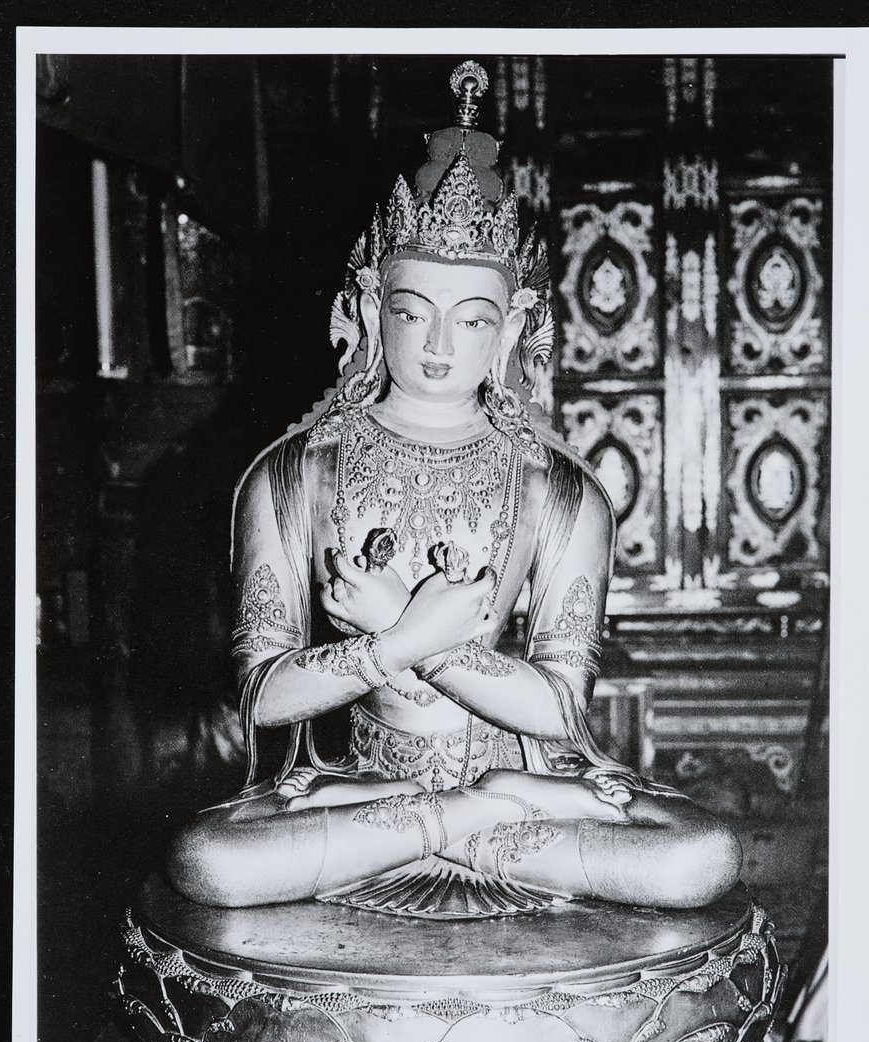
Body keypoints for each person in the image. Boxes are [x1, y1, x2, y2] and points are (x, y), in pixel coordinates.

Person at [167, 61, 741, 918]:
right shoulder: (292, 473)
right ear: (369, 309)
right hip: (368, 788)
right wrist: (393, 647)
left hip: (507, 780)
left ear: (510, 328)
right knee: (208, 863)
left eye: (472, 318)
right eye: (412, 312)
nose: (439, 343)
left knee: (697, 858)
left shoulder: (560, 489)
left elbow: (557, 710)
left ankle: (441, 820)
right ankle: (465, 820)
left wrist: (423, 644)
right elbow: (262, 696)